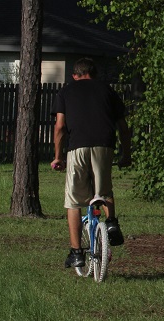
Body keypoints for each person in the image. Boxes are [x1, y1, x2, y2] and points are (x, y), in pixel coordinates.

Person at [51, 57, 132, 268]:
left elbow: (60, 127)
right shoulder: (108, 90)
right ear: (94, 74)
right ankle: (111, 223)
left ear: (74, 75)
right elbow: (123, 127)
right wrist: (126, 154)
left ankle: (77, 252)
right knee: (104, 189)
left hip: (77, 146)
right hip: (104, 146)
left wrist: (58, 157)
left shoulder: (66, 91)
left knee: (73, 201)